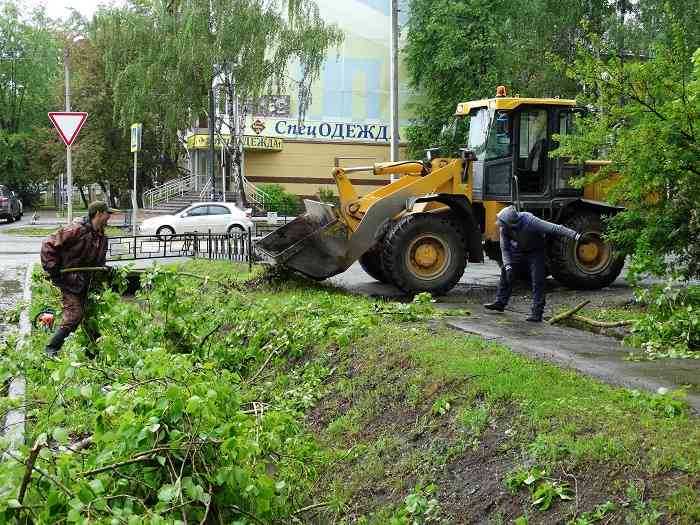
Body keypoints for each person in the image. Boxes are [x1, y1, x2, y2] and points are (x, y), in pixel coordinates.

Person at [484, 205, 590, 322]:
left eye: (502, 223)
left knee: (537, 280)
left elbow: (556, 228)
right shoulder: (504, 228)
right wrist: (508, 266)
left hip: (536, 251)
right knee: (506, 270)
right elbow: (505, 249)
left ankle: (537, 312)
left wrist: (577, 236)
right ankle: (500, 302)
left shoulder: (530, 221)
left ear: (511, 223)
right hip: (519, 250)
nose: (499, 224)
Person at [41, 201, 117, 356]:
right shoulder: (76, 230)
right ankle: (51, 348)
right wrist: (54, 271)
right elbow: (48, 244)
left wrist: (105, 270)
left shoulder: (102, 237)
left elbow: (98, 262)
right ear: (98, 214)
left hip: (88, 283)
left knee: (90, 315)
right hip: (70, 281)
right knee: (75, 314)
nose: (109, 217)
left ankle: (93, 351)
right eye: (107, 214)